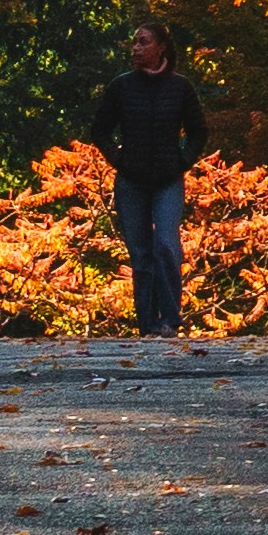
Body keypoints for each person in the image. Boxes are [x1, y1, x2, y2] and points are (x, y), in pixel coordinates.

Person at [86, 21, 207, 337]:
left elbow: (199, 131)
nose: (136, 48)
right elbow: (99, 130)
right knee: (140, 252)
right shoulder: (122, 87)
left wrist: (183, 159)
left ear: (161, 47)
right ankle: (147, 324)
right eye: (134, 43)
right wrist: (119, 159)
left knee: (166, 244)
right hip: (132, 180)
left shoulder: (180, 87)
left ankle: (170, 318)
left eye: (143, 42)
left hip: (168, 178)